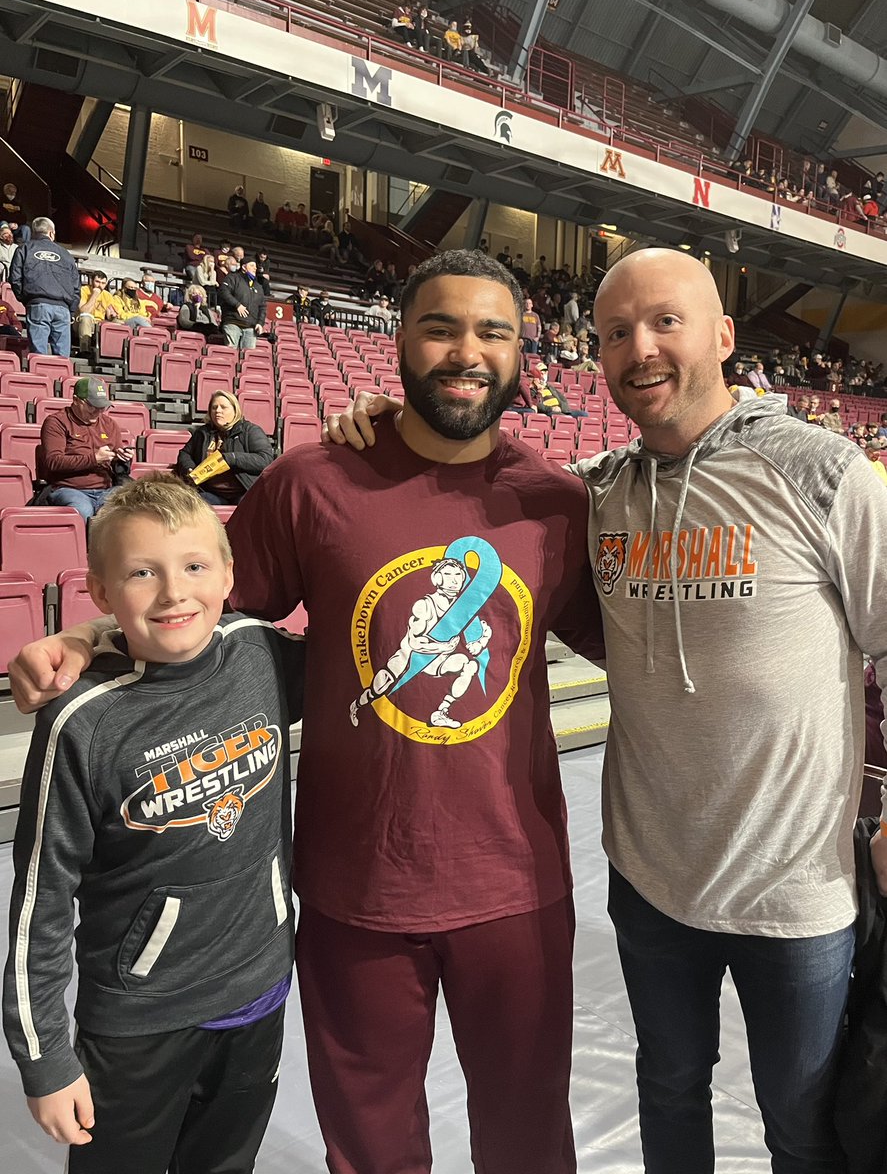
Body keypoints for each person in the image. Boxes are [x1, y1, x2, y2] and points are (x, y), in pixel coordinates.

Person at [7, 250, 607, 1174]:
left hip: (514, 887)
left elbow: (641, 640)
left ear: (522, 351)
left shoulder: (557, 505)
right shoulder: (313, 480)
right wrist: (90, 636)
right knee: (368, 1147)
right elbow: (188, 601)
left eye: (492, 331)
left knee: (529, 1138)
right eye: (440, 326)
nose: (465, 351)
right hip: (351, 888)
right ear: (399, 340)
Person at [327, 247, 887, 1173]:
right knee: (669, 1087)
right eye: (616, 332)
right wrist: (391, 426)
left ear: (723, 334)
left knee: (800, 1122)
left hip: (797, 884)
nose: (640, 349)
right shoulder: (596, 491)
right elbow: (474, 472)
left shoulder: (822, 472)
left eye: (665, 321)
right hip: (651, 876)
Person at [3, 473, 304, 1173]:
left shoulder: (261, 652)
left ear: (229, 574)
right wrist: (45, 1057)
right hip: (139, 1026)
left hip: (259, 996)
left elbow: (371, 658)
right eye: (142, 573)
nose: (174, 593)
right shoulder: (81, 721)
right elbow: (38, 908)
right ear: (102, 593)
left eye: (195, 566)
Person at [36, 377, 128, 520]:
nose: (97, 412)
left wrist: (122, 459)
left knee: (132, 508)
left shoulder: (110, 424)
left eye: (102, 407)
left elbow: (118, 468)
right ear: (76, 400)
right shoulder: (56, 422)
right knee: (83, 511)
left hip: (106, 489)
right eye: (92, 406)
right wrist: (94, 459)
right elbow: (53, 462)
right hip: (69, 488)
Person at [176, 390, 274, 505]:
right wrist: (189, 468)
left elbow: (265, 459)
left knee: (247, 506)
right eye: (214, 407)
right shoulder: (202, 433)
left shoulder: (250, 431)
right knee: (194, 503)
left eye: (223, 407)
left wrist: (231, 458)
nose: (218, 411)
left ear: (235, 410)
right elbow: (185, 453)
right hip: (212, 492)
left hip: (243, 492)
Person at [9, 216, 79, 358]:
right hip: (63, 308)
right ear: (52, 233)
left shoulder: (24, 249)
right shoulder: (66, 254)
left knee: (38, 358)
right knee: (62, 359)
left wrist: (26, 300)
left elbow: (15, 279)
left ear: (34, 232)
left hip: (37, 305)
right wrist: (71, 309)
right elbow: (76, 286)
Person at [218, 257, 266, 349]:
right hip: (233, 322)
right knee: (231, 352)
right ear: (244, 267)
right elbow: (223, 292)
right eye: (252, 265)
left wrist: (260, 323)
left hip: (250, 327)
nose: (255, 268)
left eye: (255, 266)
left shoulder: (258, 286)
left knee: (248, 357)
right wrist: (237, 305)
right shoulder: (232, 278)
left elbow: (262, 307)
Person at [76, 271, 118, 351]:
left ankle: (111, 352)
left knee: (119, 323)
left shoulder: (107, 295)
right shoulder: (83, 290)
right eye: (97, 282)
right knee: (86, 317)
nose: (100, 285)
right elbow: (84, 311)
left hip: (99, 322)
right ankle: (84, 350)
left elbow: (109, 314)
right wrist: (95, 294)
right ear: (92, 281)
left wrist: (112, 315)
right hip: (82, 322)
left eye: (103, 283)